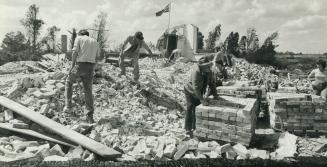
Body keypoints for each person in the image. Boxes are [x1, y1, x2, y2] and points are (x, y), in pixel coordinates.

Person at [64, 29, 100, 123]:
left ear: (81, 34)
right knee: (88, 90)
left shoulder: (78, 38)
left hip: (78, 65)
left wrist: (72, 67)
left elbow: (74, 53)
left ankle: (68, 107)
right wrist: (93, 69)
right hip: (90, 67)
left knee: (68, 81)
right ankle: (90, 116)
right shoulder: (95, 41)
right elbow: (97, 58)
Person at [184, 56, 221, 137]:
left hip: (199, 91)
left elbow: (212, 84)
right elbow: (195, 87)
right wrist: (202, 99)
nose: (209, 68)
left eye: (209, 66)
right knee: (190, 107)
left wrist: (215, 95)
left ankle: (195, 126)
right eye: (207, 67)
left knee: (197, 107)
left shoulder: (209, 72)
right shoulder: (196, 72)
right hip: (189, 90)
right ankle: (188, 128)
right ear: (202, 67)